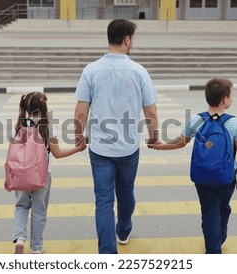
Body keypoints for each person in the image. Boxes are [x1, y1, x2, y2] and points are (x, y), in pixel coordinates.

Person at [74, 19, 159, 254]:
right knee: (126, 192)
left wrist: (78, 136)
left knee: (103, 201)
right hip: (129, 149)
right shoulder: (139, 71)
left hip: (100, 149)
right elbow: (150, 110)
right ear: (127, 39)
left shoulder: (91, 70)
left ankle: (108, 255)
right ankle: (123, 229)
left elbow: (81, 110)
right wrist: (154, 136)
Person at [149, 78, 237, 254]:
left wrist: (161, 146)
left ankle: (213, 242)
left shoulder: (197, 120)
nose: (232, 98)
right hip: (226, 176)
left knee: (208, 210)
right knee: (223, 206)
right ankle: (215, 246)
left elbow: (180, 142)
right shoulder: (234, 123)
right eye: (231, 95)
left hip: (202, 176)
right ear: (224, 100)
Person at [10, 92, 86, 254]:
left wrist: (9, 174)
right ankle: (36, 248)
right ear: (44, 107)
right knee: (39, 210)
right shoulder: (47, 126)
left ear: (25, 107)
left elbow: (11, 153)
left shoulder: (19, 125)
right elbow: (57, 154)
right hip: (42, 175)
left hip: (20, 175)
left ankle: (20, 238)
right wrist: (78, 148)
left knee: (21, 206)